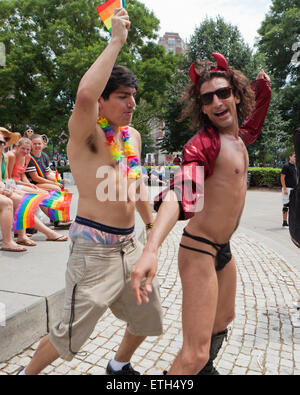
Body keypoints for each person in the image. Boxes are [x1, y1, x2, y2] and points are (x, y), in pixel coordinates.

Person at [19, 8, 162, 376]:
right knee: (69, 337)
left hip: (130, 246)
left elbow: (135, 181)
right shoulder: (87, 135)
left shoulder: (132, 137)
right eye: (122, 96)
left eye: (134, 95)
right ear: (102, 101)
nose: (132, 103)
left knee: (146, 318)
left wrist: (151, 226)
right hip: (93, 254)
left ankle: (118, 365)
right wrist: (116, 40)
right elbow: (84, 94)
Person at [131, 54, 271, 375]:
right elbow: (182, 193)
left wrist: (262, 88)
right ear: (202, 108)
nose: (217, 102)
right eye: (208, 98)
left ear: (236, 95)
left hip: (223, 250)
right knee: (194, 354)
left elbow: (256, 116)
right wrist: (151, 248)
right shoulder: (203, 144)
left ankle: (204, 372)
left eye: (223, 93)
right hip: (198, 251)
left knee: (224, 320)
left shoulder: (239, 137)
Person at [0, 128, 68, 247]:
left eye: (4, 141)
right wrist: (19, 186)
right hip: (14, 185)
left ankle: (58, 218)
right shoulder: (9, 156)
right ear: (17, 147)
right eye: (23, 149)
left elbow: (10, 178)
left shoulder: (20, 157)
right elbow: (11, 179)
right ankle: (45, 228)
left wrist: (26, 184)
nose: (26, 151)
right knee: (33, 196)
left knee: (53, 191)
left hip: (12, 185)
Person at [280, 152, 297, 229]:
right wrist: (285, 188)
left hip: (294, 189)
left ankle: (292, 223)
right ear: (290, 157)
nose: (295, 158)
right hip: (287, 189)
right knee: (286, 206)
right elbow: (282, 178)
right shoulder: (286, 166)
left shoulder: (295, 166)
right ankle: (284, 223)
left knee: (293, 206)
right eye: (294, 156)